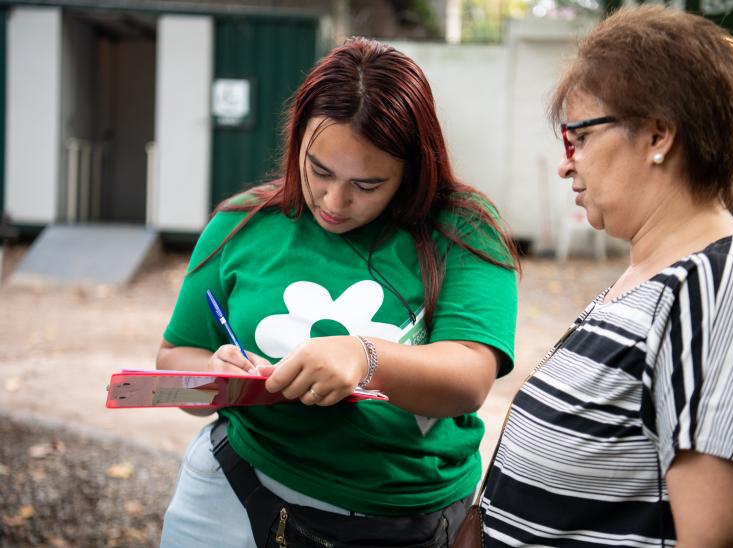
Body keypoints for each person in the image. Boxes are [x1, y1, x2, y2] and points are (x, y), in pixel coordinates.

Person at [157, 37, 519, 547]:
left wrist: (365, 357)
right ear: (296, 139)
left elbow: (469, 379)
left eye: (367, 184)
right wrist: (212, 378)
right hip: (229, 494)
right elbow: (175, 356)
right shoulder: (240, 224)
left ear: (414, 168)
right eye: (319, 170)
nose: (335, 200)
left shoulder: (464, 233)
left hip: (396, 523)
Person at [480, 6, 733, 547]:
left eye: (578, 138)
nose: (566, 164)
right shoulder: (658, 274)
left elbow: (722, 538)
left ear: (658, 135)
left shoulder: (722, 293)